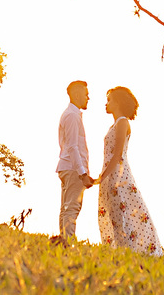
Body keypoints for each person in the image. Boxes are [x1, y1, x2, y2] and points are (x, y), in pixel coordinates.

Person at [97, 86, 163, 256]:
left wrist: (102, 177)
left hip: (118, 176)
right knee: (115, 215)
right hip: (111, 174)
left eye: (110, 100)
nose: (106, 103)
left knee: (123, 214)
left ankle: (128, 252)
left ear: (118, 102)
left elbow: (118, 153)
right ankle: (120, 252)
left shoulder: (122, 122)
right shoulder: (116, 124)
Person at [56, 80, 94, 240]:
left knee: (66, 208)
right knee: (72, 208)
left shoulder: (72, 114)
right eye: (86, 94)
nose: (88, 98)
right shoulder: (72, 116)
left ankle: (63, 240)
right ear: (77, 94)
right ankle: (67, 242)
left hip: (67, 167)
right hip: (73, 170)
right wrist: (82, 173)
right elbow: (72, 147)